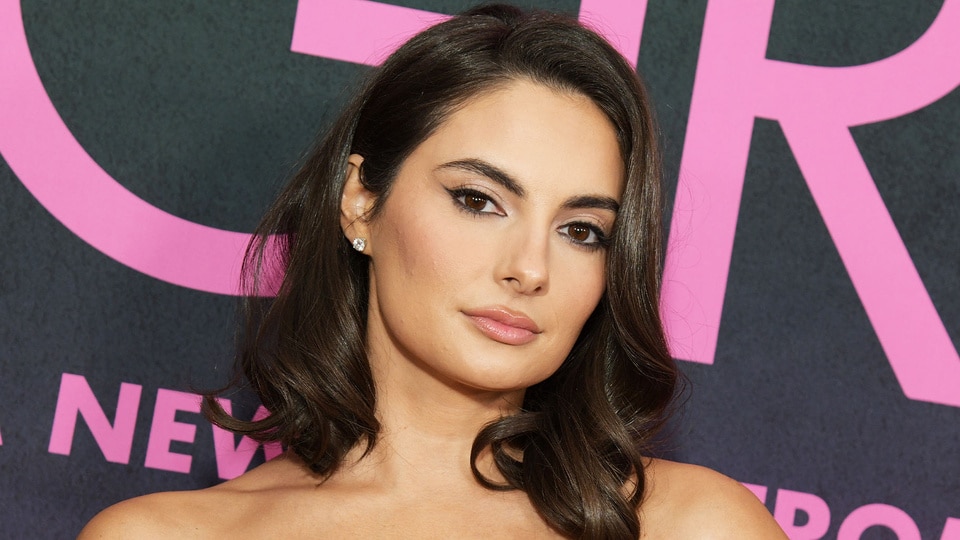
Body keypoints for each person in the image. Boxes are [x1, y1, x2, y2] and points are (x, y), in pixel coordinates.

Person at [80, 4, 786, 538]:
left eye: (581, 231)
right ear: (360, 201)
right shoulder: (167, 534)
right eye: (479, 201)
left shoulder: (692, 525)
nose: (530, 268)